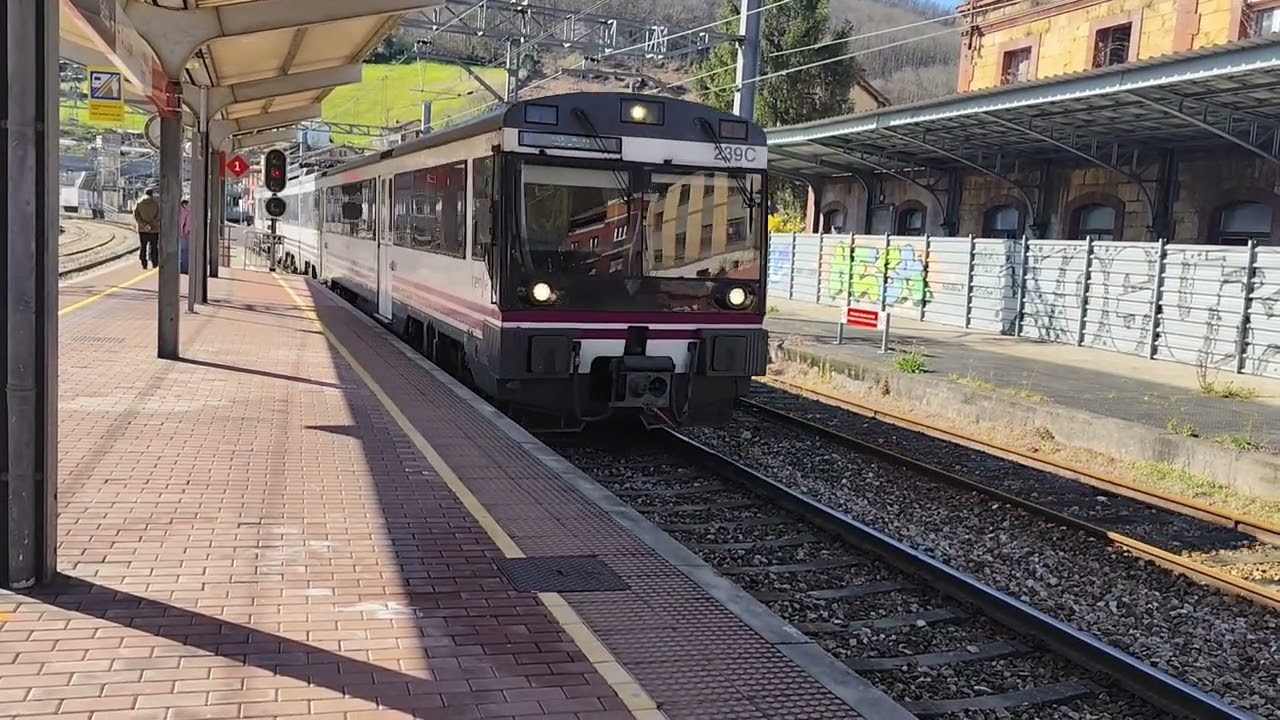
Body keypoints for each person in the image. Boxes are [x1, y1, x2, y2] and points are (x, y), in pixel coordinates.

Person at [133, 189, 160, 269]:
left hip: (142, 229)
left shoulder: (139, 202)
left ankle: (143, 263)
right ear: (152, 194)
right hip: (154, 229)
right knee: (154, 246)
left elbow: (136, 215)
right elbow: (159, 215)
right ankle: (154, 263)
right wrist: (151, 224)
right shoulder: (156, 203)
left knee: (143, 246)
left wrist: (144, 224)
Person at [179, 199, 191, 274]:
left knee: (182, 251)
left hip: (180, 233)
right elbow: (187, 224)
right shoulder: (188, 212)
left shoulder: (181, 211)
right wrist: (186, 232)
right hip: (184, 234)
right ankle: (185, 268)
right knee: (185, 251)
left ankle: (182, 267)